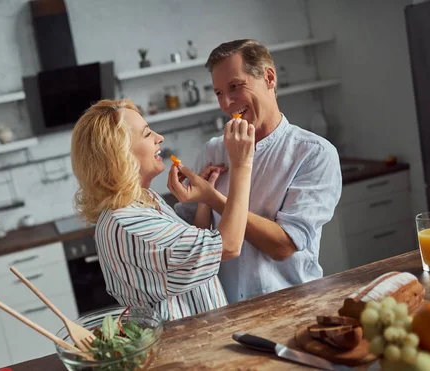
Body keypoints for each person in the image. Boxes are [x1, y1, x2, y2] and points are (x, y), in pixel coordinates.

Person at [175, 39, 342, 303]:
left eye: (235, 87)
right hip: (225, 310)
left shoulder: (314, 153)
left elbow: (284, 245)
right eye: (218, 92)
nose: (227, 102)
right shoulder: (213, 151)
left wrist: (212, 198)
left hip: (293, 305)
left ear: (270, 78)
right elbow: (193, 239)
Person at [70, 99, 254, 321]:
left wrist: (205, 199)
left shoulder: (145, 200)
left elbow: (186, 258)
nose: (160, 138)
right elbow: (229, 247)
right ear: (120, 155)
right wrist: (242, 164)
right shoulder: (130, 225)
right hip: (184, 347)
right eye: (147, 134)